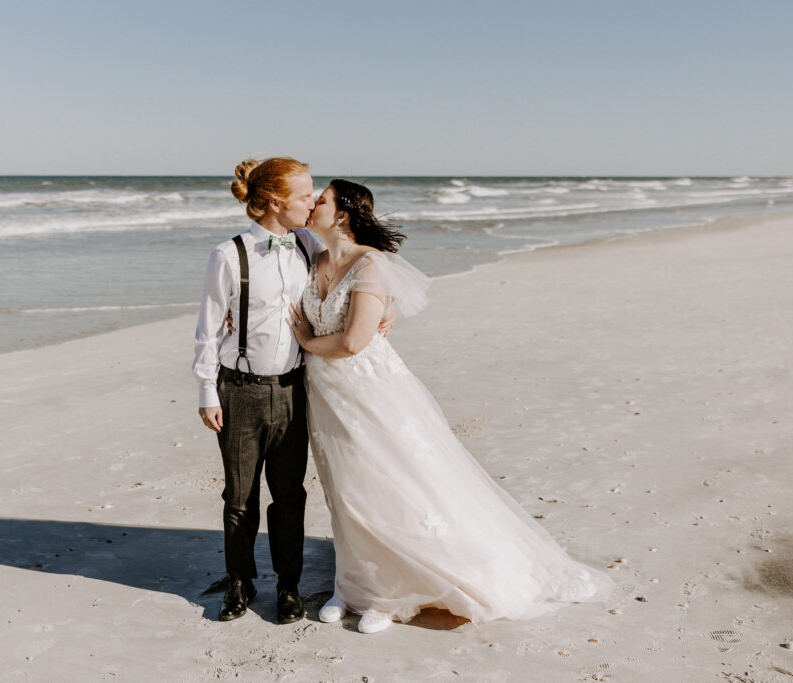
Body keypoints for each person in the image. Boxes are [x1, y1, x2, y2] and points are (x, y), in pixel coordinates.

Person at [286, 179, 614, 634]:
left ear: (341, 214)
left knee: (386, 482)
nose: (310, 205)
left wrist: (304, 340)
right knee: (344, 488)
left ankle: (391, 593)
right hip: (323, 392)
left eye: (318, 200)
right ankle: (353, 585)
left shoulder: (371, 264)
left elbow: (356, 341)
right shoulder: (312, 254)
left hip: (369, 390)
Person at [192, 159, 393, 624]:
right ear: (277, 203)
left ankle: (288, 585)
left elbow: (363, 267)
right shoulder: (229, 256)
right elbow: (206, 330)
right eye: (305, 197)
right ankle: (240, 584)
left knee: (290, 495)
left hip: (295, 390)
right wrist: (207, 390)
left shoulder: (307, 245)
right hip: (239, 390)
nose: (312, 203)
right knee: (238, 496)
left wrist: (388, 307)